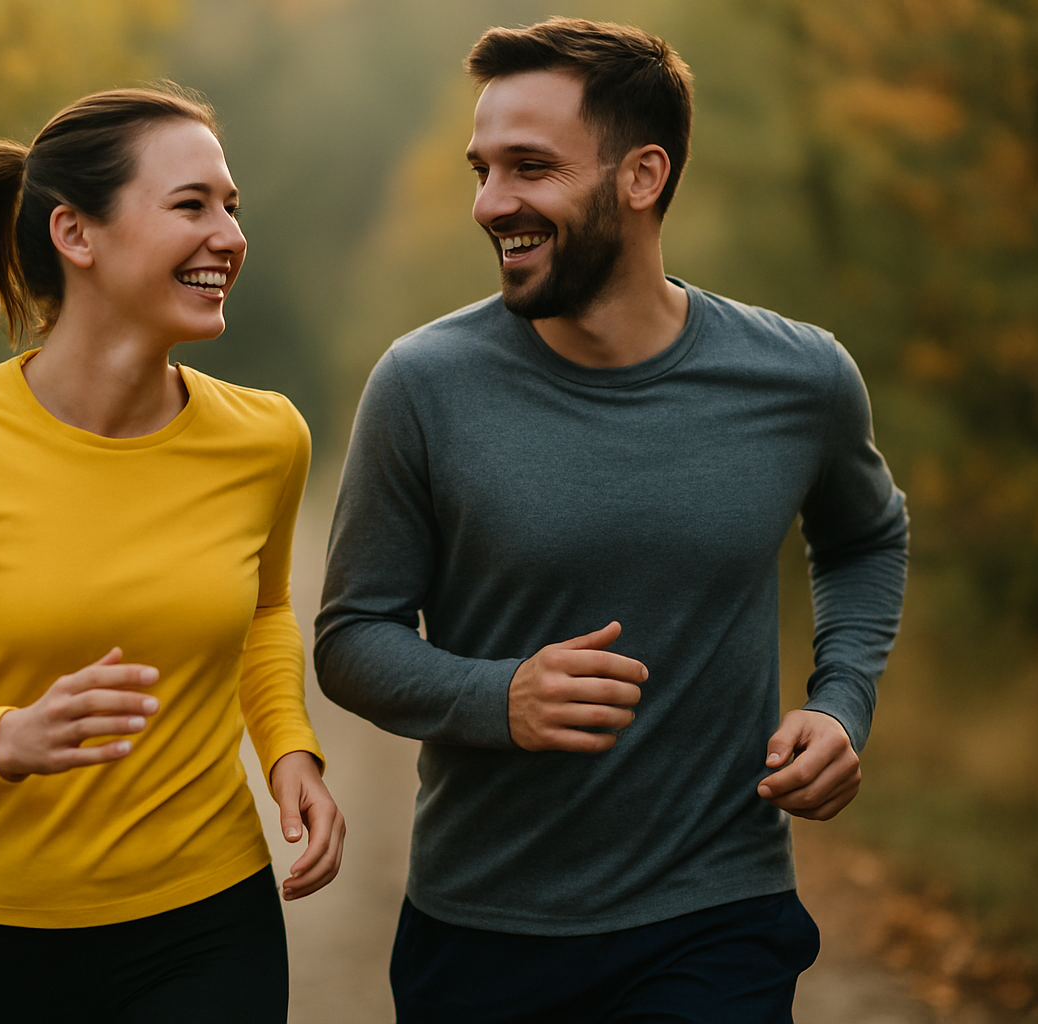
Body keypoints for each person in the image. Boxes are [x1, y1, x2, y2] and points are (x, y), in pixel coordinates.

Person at [315, 18, 908, 1024]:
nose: (492, 203)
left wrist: (840, 700)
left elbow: (862, 536)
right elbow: (350, 639)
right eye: (483, 169)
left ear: (643, 176)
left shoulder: (798, 376)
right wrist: (499, 697)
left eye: (531, 168)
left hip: (716, 915)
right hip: (485, 930)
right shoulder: (422, 385)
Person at [0, 86, 345, 1024]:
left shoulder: (267, 438)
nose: (230, 235)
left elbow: (263, 613)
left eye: (232, 207)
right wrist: (5, 738)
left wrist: (288, 751)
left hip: (205, 924)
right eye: (193, 205)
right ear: (76, 233)